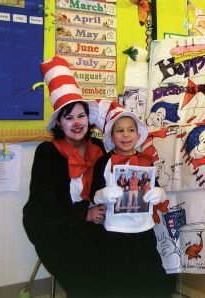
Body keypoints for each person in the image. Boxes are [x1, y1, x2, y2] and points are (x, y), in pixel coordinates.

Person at [22, 56, 123, 297]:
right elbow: (45, 206)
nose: (76, 123)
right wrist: (84, 214)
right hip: (57, 229)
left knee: (122, 258)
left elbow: (110, 183)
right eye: (68, 118)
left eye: (81, 116)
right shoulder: (48, 153)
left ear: (89, 118)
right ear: (59, 122)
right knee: (87, 276)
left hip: (94, 225)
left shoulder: (98, 147)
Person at [90, 101, 176, 297]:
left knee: (149, 275)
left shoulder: (147, 160)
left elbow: (159, 188)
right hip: (114, 231)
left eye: (130, 130)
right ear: (112, 136)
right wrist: (103, 194)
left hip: (143, 230)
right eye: (119, 130)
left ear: (138, 135)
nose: (126, 135)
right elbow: (93, 193)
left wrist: (158, 194)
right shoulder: (104, 162)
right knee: (117, 278)